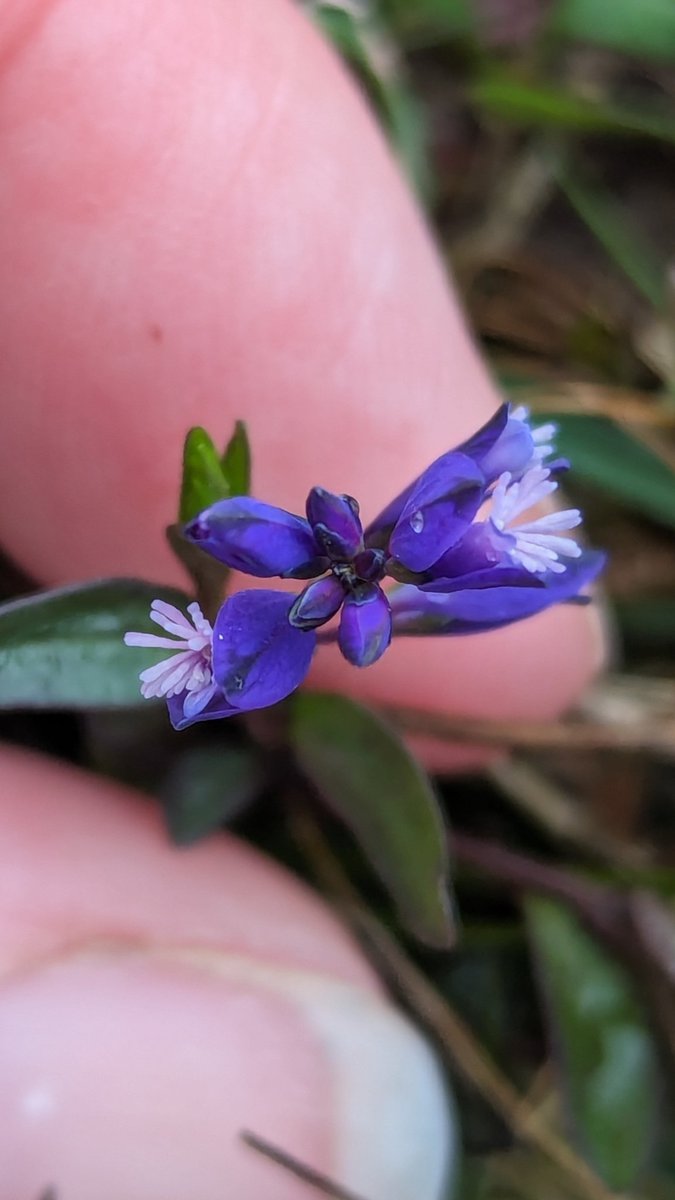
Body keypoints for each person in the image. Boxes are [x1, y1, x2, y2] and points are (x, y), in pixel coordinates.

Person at [0, 2, 604, 1195]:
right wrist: (231, 664)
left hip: (322, 618)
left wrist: (480, 528)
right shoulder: (293, 589)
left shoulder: (375, 586)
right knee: (238, 609)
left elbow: (372, 583)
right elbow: (263, 574)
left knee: (432, 594)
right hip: (278, 620)